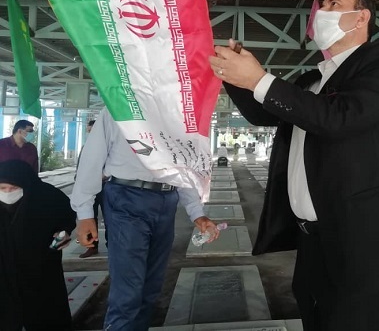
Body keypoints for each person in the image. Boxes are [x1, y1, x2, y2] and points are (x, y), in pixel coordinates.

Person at [210, 0, 379, 331]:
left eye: (334, 4)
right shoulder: (313, 79)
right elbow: (263, 112)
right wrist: (236, 76)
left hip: (360, 242)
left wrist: (259, 78)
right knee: (315, 318)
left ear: (361, 17)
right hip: (312, 240)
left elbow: (338, 118)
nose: (321, 12)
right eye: (322, 5)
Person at [70, 108, 221, 331]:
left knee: (151, 287)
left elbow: (183, 167)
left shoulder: (177, 110)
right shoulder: (117, 105)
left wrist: (196, 212)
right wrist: (84, 213)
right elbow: (91, 159)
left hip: (166, 200)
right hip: (126, 198)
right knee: (128, 289)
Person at [0, 160, 76, 331]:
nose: (7, 193)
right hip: (3, 271)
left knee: (46, 316)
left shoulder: (46, 197)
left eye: (13, 188)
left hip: (40, 271)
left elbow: (67, 216)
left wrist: (63, 232)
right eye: (2, 188)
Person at [78, 119, 108, 258]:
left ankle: (111, 245)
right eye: (89, 131)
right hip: (90, 187)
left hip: (106, 186)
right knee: (89, 216)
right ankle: (91, 246)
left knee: (109, 217)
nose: (90, 134)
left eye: (92, 131)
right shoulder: (86, 147)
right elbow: (81, 166)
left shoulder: (108, 146)